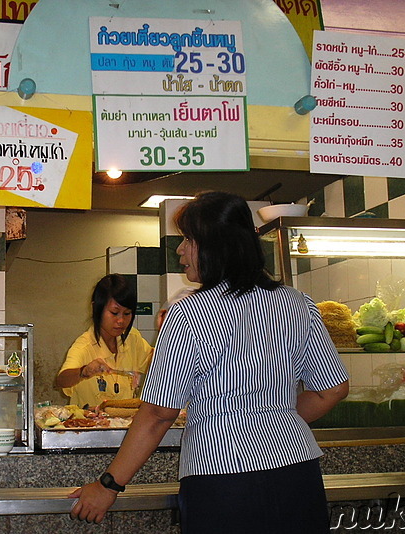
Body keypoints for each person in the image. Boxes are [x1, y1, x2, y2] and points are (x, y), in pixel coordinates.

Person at [69, 192, 350, 532]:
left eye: (189, 239)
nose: (180, 250)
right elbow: (332, 390)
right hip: (297, 475)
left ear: (217, 246)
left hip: (223, 482)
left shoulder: (189, 313)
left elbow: (159, 414)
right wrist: (272, 418)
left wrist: (108, 485)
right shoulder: (298, 303)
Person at [55, 274, 153, 408]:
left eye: (127, 313)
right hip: (88, 425)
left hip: (124, 425)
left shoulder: (133, 338)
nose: (121, 321)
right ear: (97, 309)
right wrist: (84, 371)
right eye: (114, 313)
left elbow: (157, 361)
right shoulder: (84, 345)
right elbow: (61, 380)